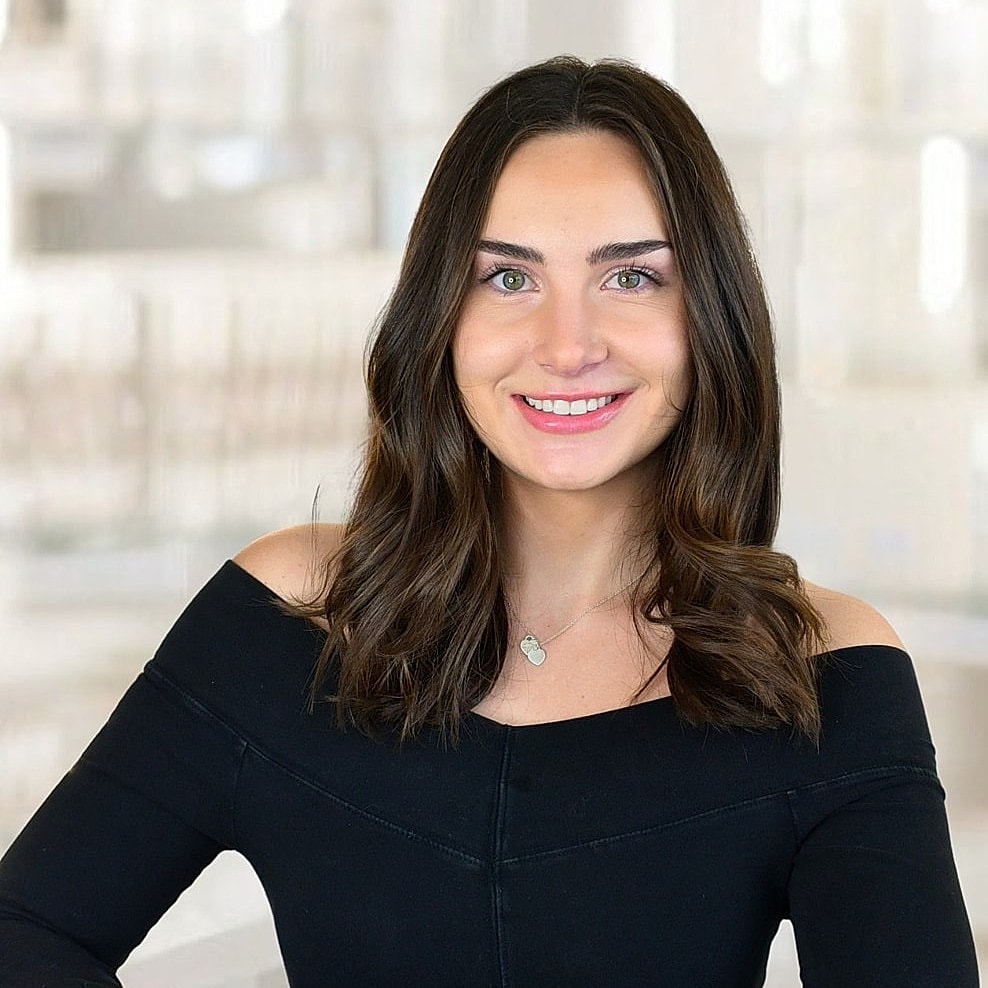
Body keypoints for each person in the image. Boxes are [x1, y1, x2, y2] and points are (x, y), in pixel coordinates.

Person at [0, 56, 978, 987]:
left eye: (631, 276)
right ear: (440, 318)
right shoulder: (291, 616)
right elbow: (29, 930)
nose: (565, 345)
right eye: (507, 278)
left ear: (710, 318)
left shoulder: (820, 670)